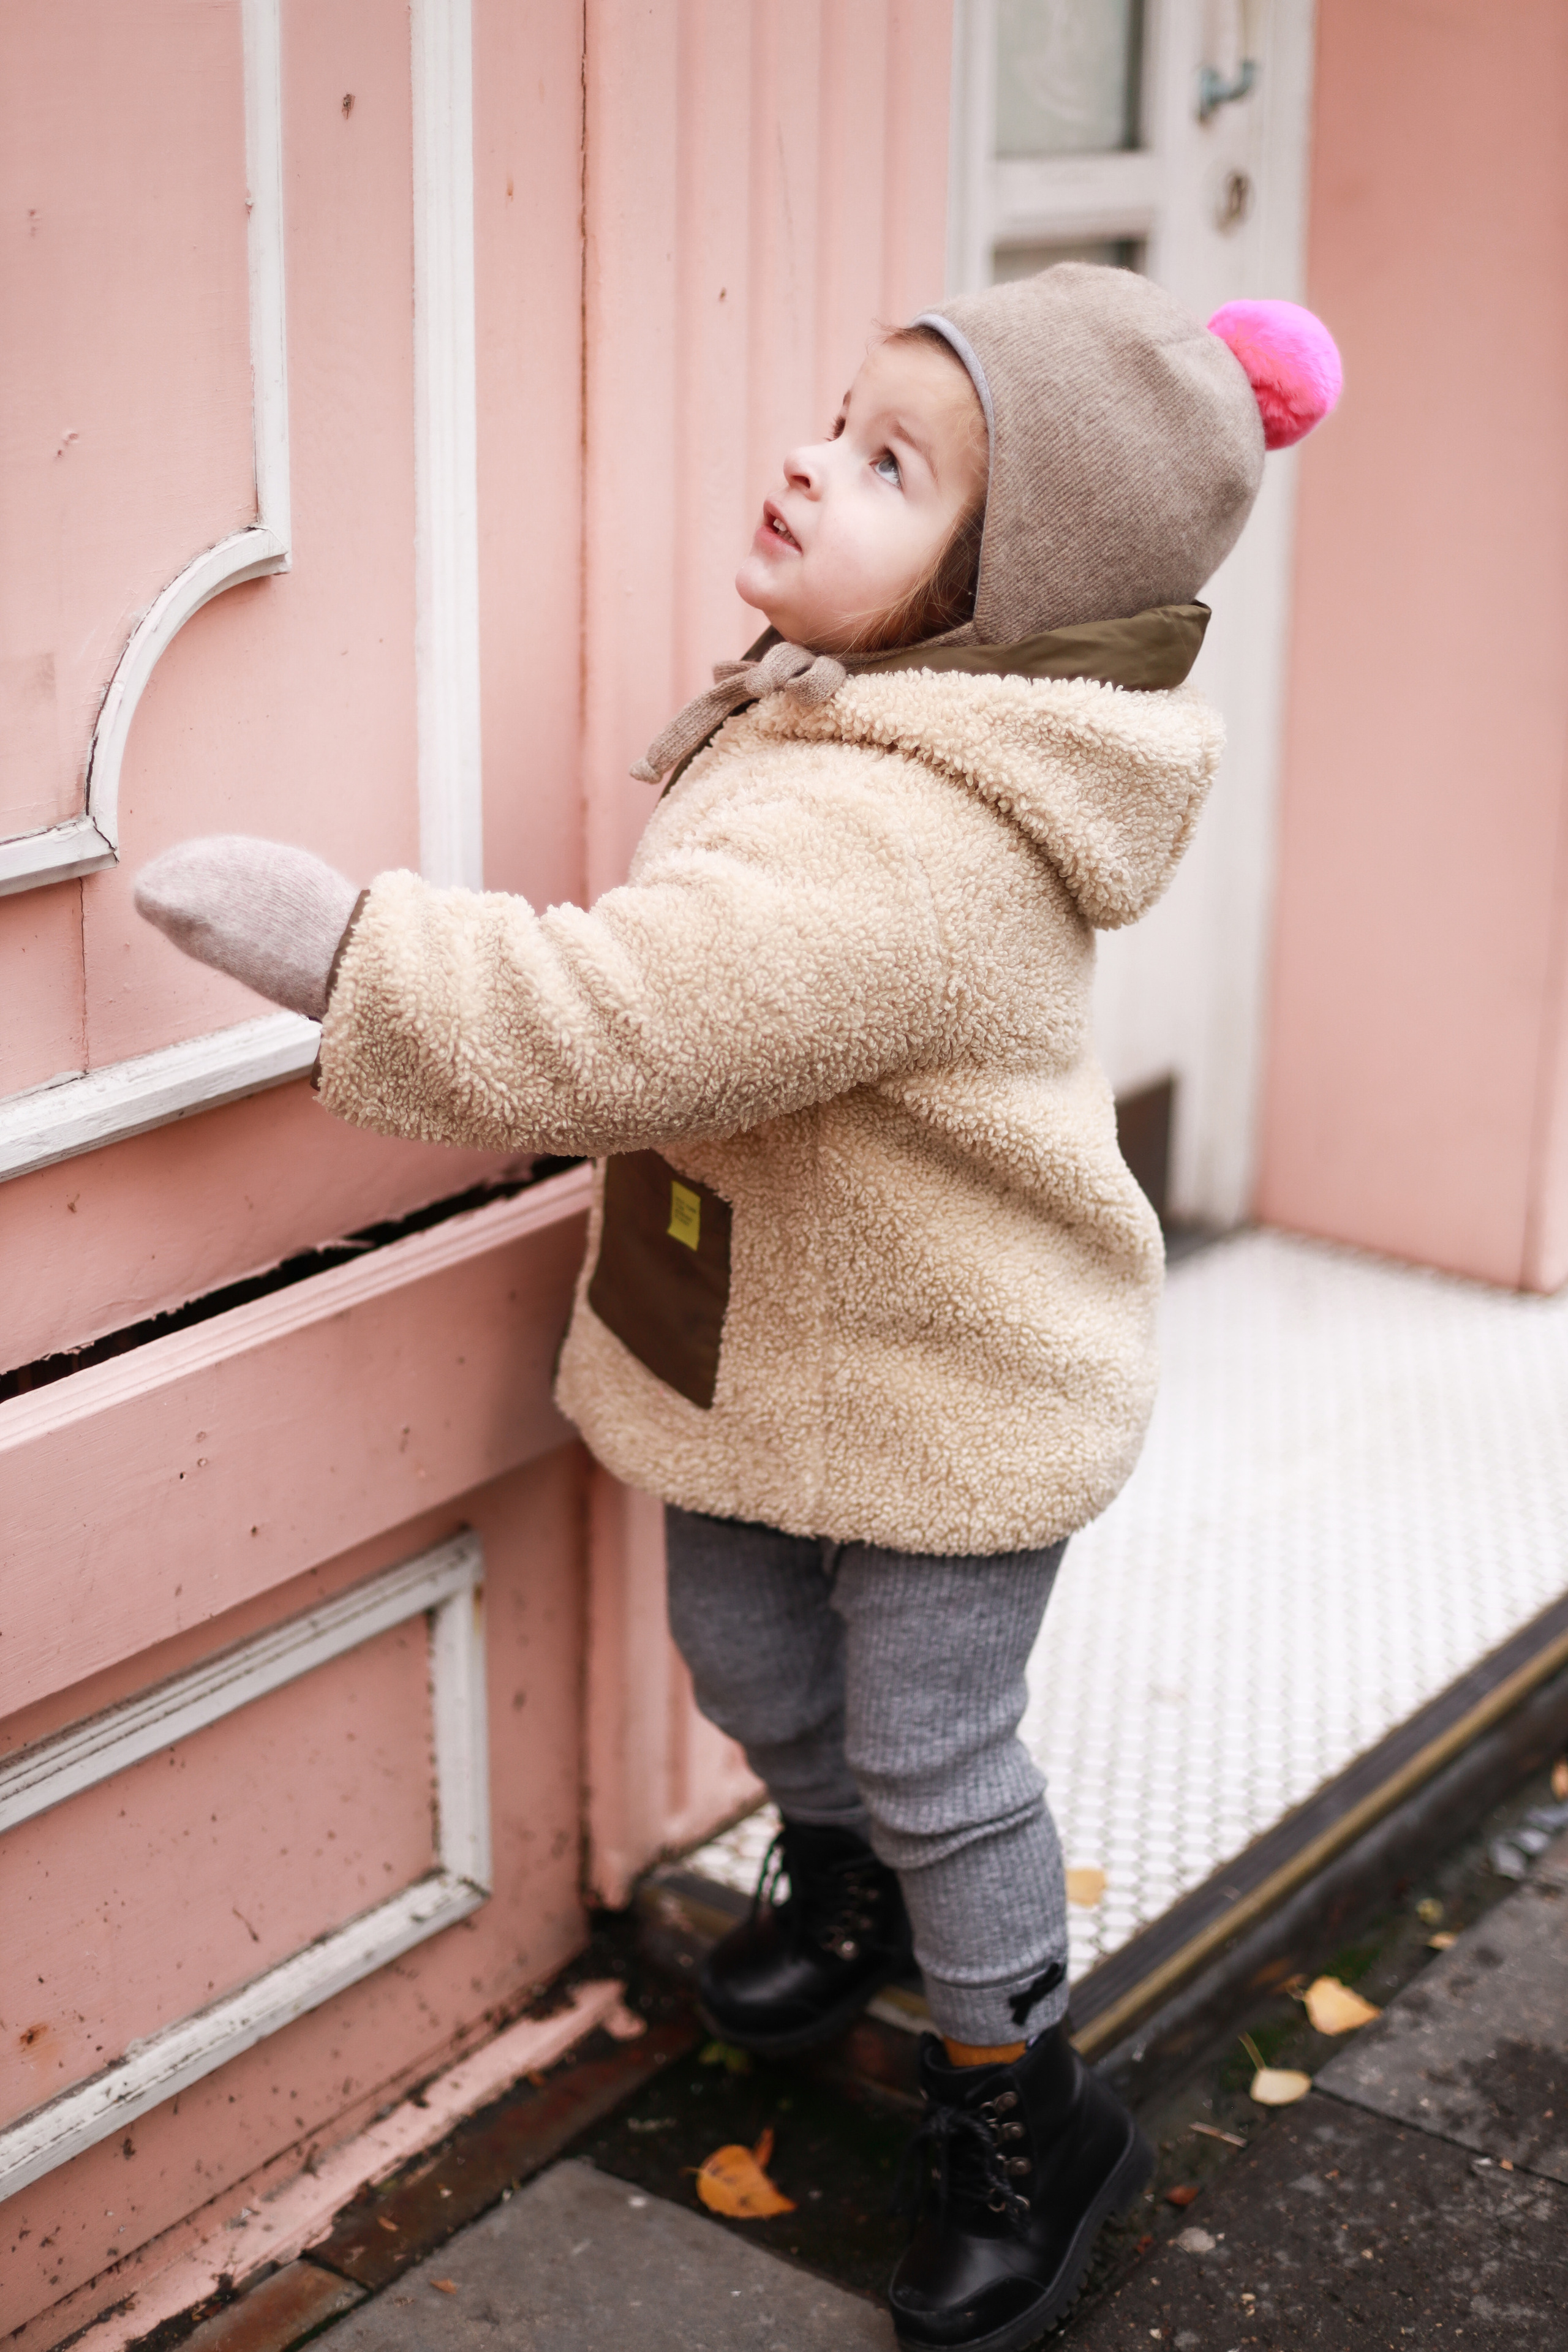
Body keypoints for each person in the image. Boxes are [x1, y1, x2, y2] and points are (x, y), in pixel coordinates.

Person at [137, 264, 1340, 2351]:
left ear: (1002, 593)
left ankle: (1016, 2107)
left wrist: (352, 953)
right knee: (748, 1653)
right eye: (838, 416)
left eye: (893, 465)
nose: (812, 458)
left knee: (940, 1749)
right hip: (776, 1344)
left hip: (957, 1384)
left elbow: (635, 1018)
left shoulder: (919, 832)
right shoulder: (839, 709)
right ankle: (846, 1871)